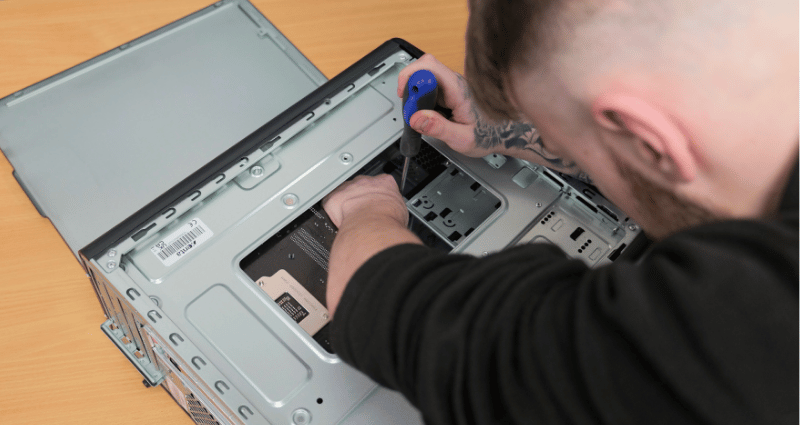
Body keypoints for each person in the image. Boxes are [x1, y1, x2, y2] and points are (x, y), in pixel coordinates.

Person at [323, 0, 798, 423]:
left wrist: (370, 208)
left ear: (648, 142)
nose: (566, 154)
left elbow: (411, 319)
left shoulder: (745, 327)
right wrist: (501, 134)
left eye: (570, 147)